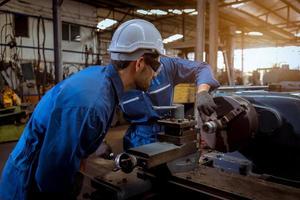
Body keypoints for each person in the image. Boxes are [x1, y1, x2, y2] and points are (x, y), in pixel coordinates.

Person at [0, 19, 165, 200]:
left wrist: (94, 143)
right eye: (155, 66)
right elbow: (49, 177)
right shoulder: (92, 103)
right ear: (139, 63)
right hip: (26, 187)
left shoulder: (101, 80)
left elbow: (70, 129)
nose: (156, 74)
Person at [121, 53, 220, 150]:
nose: (156, 74)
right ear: (139, 63)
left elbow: (201, 68)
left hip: (169, 133)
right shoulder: (116, 80)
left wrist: (202, 92)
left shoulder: (168, 66)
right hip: (137, 139)